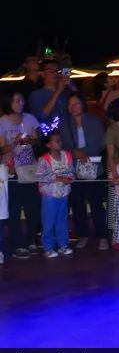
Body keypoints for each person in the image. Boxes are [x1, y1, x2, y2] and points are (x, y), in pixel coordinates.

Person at [60, 92, 109, 250]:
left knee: (96, 204)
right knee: (77, 204)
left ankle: (102, 236)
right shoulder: (65, 124)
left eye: (76, 103)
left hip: (94, 166)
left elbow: (101, 142)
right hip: (74, 168)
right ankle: (83, 235)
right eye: (70, 104)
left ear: (82, 104)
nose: (73, 107)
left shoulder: (95, 121)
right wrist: (76, 153)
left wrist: (84, 153)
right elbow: (64, 145)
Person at [1, 93, 41, 259]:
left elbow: (38, 140)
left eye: (22, 99)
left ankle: (31, 240)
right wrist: (16, 142)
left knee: (32, 207)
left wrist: (29, 140)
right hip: (12, 170)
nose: (21, 102)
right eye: (16, 100)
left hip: (30, 168)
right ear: (9, 102)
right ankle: (18, 244)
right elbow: (2, 149)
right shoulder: (2, 122)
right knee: (14, 209)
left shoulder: (30, 118)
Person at [36, 124, 74, 258]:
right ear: (48, 145)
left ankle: (63, 245)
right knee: (48, 222)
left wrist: (70, 178)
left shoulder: (67, 156)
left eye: (60, 140)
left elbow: (71, 171)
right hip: (50, 196)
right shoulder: (44, 159)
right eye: (56, 140)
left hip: (63, 195)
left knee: (62, 221)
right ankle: (48, 248)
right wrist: (57, 178)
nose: (60, 142)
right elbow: (40, 176)